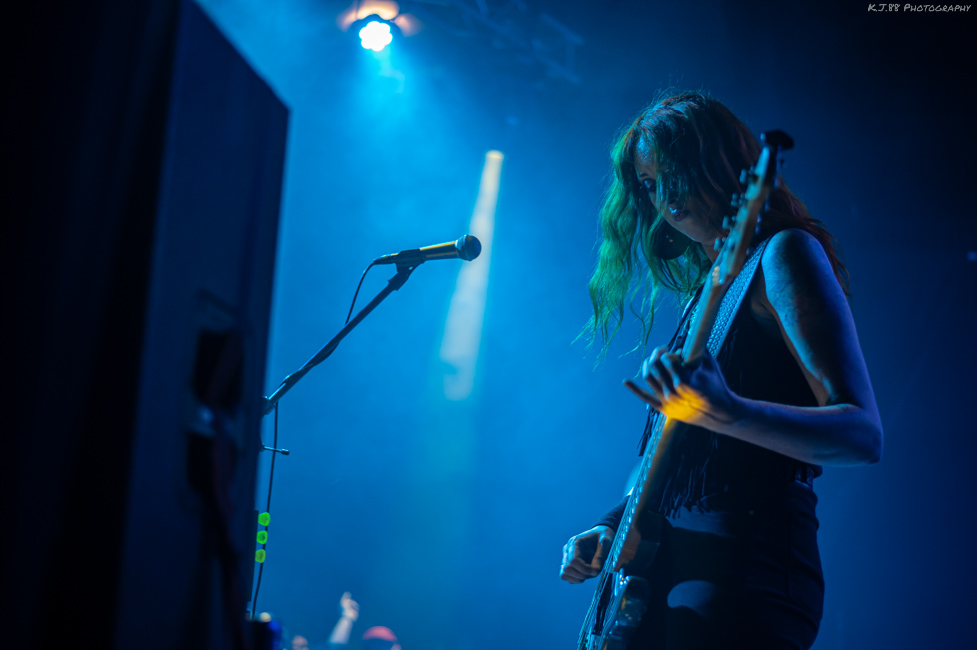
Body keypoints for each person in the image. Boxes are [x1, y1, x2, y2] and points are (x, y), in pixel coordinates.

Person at [559, 91, 883, 649]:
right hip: (666, 576)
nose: (667, 200)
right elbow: (677, 458)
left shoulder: (784, 254)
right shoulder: (705, 295)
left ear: (720, 164)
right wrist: (614, 530)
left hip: (742, 570)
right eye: (649, 184)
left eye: (676, 174)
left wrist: (729, 413)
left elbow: (861, 433)